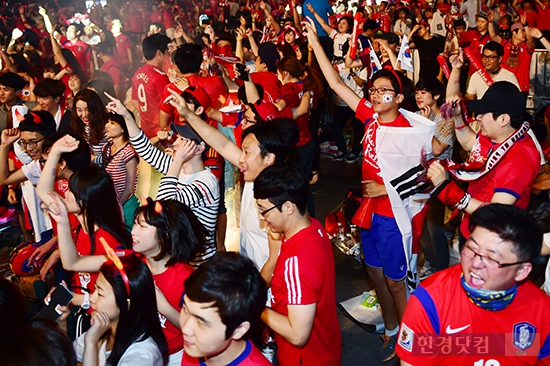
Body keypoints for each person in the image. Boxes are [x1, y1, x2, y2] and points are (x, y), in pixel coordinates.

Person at [303, 16, 433, 362]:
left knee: (395, 283)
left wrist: (387, 189)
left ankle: (408, 343)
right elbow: (335, 83)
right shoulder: (369, 117)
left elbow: (426, 176)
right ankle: (391, 330)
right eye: (373, 91)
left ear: (398, 97)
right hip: (369, 212)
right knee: (374, 274)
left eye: (383, 91)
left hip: (394, 216)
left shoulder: (410, 131)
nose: (375, 96)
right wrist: (315, 44)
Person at [165, 87, 299, 279]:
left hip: (265, 282)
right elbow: (221, 144)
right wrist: (187, 114)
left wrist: (254, 290)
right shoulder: (255, 172)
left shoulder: (274, 196)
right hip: (249, 272)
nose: (240, 159)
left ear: (269, 158)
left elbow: (276, 257)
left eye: (247, 152)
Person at [397, 204, 550, 365]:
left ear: (522, 271)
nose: (475, 263)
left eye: (492, 258)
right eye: (471, 248)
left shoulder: (543, 312)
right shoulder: (430, 301)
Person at [105, 92, 220, 266]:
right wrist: (126, 115)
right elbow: (144, 148)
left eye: (181, 139)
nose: (175, 143)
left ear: (199, 148)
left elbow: (165, 203)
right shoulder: (177, 167)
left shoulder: (206, 182)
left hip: (200, 265)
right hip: (180, 260)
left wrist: (178, 160)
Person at [428, 81, 541, 242]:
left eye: (483, 113)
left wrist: (448, 190)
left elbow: (496, 213)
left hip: (493, 240)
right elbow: (470, 144)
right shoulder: (497, 134)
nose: (478, 117)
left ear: (503, 119)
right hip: (471, 226)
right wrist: (458, 117)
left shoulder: (520, 157)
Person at [255, 164, 342, 366]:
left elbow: (298, 334)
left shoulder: (298, 260)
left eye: (263, 210)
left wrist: (255, 306)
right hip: (325, 348)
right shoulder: (313, 227)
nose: (261, 217)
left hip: (305, 358)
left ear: (288, 207)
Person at [55, 255, 169, 365]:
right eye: (94, 289)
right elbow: (65, 357)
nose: (92, 299)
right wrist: (61, 323)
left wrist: (91, 343)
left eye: (100, 293)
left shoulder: (142, 354)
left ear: (127, 304)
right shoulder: (104, 329)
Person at [180, 252, 270, 365]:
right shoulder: (195, 347)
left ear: (238, 329)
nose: (185, 329)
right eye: (185, 309)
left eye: (201, 322)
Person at [94, 112, 139, 229]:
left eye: (113, 123)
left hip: (125, 205)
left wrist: (115, 207)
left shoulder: (129, 152)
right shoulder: (107, 147)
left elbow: (129, 188)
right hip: (109, 202)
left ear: (124, 128)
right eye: (107, 122)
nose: (107, 126)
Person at [70, 89, 108, 156]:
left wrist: (91, 159)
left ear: (95, 108)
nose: (84, 114)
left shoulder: (107, 127)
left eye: (88, 109)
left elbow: (115, 158)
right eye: (79, 110)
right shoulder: (84, 126)